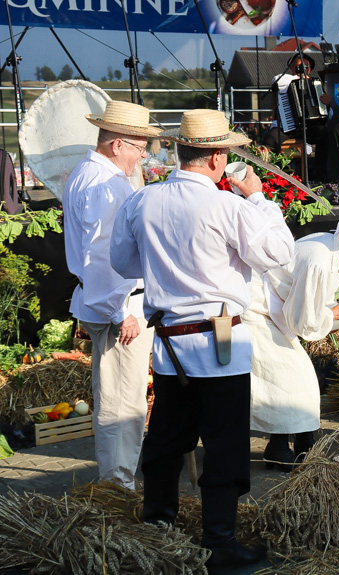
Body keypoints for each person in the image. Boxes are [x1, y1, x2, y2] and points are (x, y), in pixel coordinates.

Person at [110, 109, 295, 572]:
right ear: (216, 157)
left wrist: (166, 265)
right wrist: (258, 199)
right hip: (220, 340)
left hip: (171, 342)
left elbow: (121, 262)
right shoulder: (228, 205)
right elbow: (280, 252)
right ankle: (220, 543)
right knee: (224, 443)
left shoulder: (141, 201)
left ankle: (158, 529)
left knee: (168, 439)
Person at [63, 100, 161, 491]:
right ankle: (117, 488)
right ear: (117, 144)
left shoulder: (87, 174)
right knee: (124, 401)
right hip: (118, 303)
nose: (142, 156)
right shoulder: (106, 183)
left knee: (121, 396)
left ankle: (117, 483)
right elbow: (100, 256)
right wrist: (121, 312)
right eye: (139, 148)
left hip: (110, 300)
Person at [246, 214, 339, 471]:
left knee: (297, 379)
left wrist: (337, 311)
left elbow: (308, 308)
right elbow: (303, 321)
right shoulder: (320, 259)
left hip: (274, 310)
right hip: (257, 311)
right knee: (291, 377)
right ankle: (282, 448)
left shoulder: (328, 248)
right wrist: (335, 314)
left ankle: (301, 445)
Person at [263, 53, 328, 182]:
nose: (303, 69)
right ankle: (271, 177)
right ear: (292, 68)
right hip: (288, 127)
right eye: (299, 66)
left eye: (306, 67)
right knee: (271, 138)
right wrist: (297, 77)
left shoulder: (316, 83)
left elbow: (323, 109)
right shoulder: (284, 81)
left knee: (324, 133)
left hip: (309, 128)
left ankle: (319, 176)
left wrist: (326, 102)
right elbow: (277, 80)